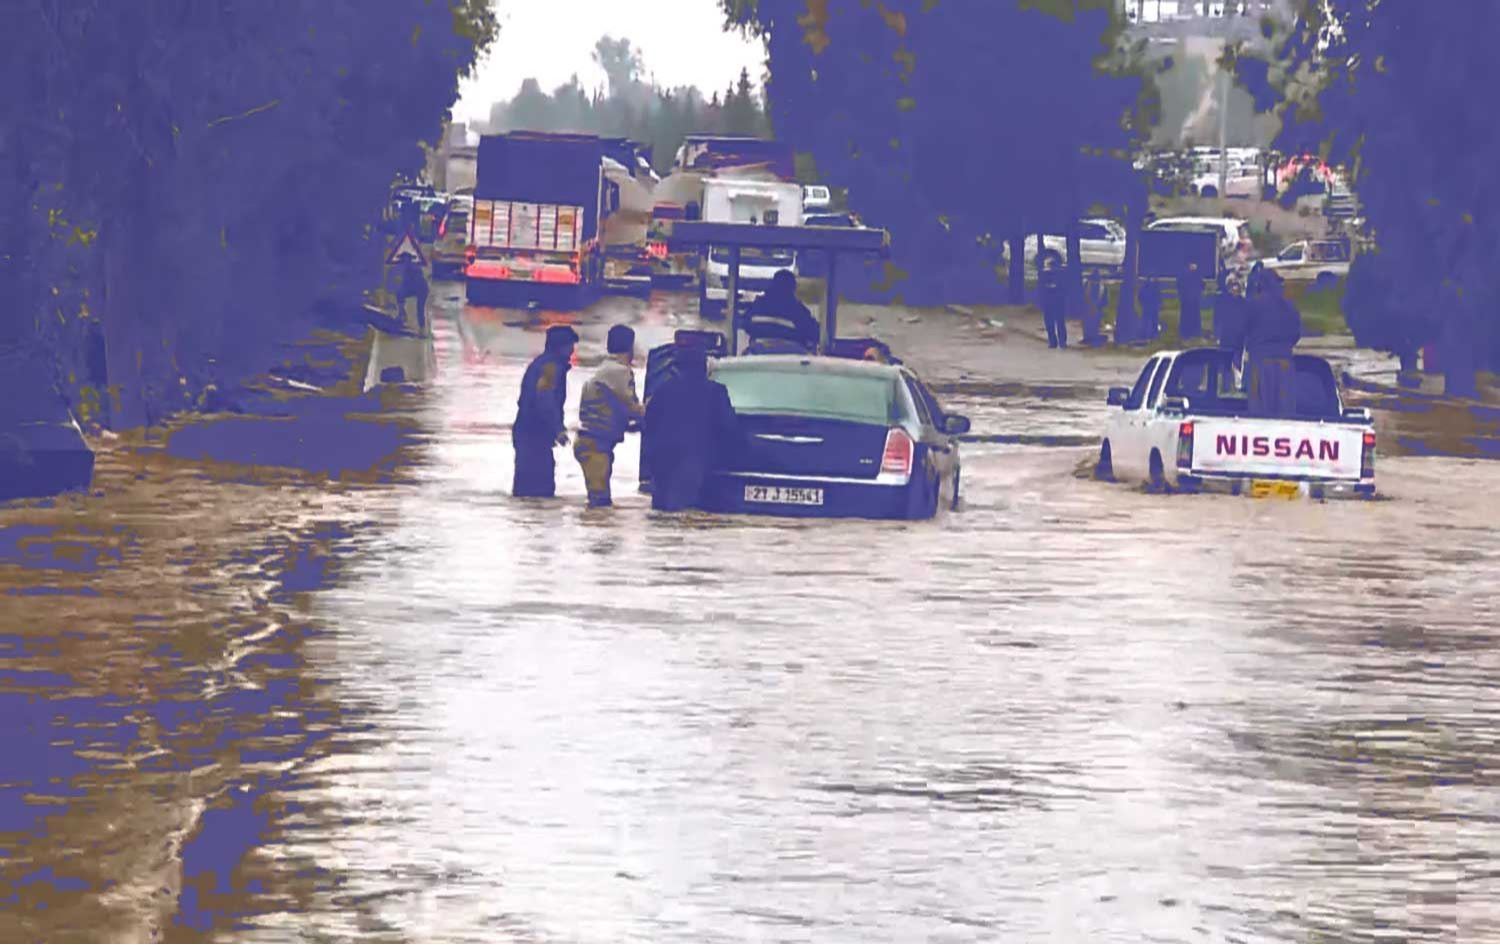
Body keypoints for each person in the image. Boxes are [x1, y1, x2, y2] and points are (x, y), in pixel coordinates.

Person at [643, 347, 740, 512]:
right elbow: (729, 428)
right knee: (692, 518)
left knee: (664, 518)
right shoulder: (716, 393)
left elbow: (648, 425)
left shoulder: (663, 391)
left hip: (664, 468)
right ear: (704, 368)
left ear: (677, 368)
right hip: (699, 467)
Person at [574, 324, 645, 508]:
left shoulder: (606, 368)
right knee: (600, 506)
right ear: (630, 347)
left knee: (599, 504)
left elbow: (616, 409)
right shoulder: (619, 371)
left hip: (592, 442)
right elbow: (632, 408)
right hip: (595, 445)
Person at [512, 325, 579, 498]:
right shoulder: (550, 368)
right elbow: (545, 399)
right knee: (538, 488)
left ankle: (528, 520)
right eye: (571, 346)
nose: (573, 351)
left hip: (529, 432)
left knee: (528, 488)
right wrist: (558, 430)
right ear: (562, 347)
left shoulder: (543, 364)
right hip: (533, 434)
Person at [1245, 270, 1303, 417]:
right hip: (1284, 361)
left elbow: (1242, 329)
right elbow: (1296, 333)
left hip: (1260, 360)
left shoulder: (1253, 305)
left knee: (1259, 409)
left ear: (1261, 285)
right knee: (1284, 409)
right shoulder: (1289, 306)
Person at [741, 269, 819, 353]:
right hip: (789, 359)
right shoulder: (796, 310)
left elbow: (746, 325)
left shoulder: (757, 305)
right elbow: (814, 332)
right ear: (792, 288)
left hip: (758, 356)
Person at [394, 250, 429, 334]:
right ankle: (401, 314)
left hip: (421, 289)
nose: (402, 262)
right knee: (399, 293)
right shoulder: (410, 267)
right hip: (417, 288)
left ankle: (422, 327)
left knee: (420, 308)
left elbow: (411, 282)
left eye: (403, 260)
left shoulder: (412, 269)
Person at [1039, 256, 1068, 349]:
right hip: (1058, 302)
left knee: (1051, 323)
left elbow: (1041, 290)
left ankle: (1053, 342)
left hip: (1049, 303)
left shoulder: (1045, 274)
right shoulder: (1061, 274)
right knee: (1059, 322)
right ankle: (1061, 342)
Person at [1177, 262, 1204, 340]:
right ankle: (1186, 333)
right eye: (1193, 265)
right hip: (1186, 300)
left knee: (1195, 316)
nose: (1194, 266)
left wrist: (1199, 292)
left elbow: (1202, 285)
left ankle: (1195, 332)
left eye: (1195, 265)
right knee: (1186, 316)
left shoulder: (1197, 274)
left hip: (1195, 300)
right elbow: (1180, 285)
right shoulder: (1184, 274)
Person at [1083, 269, 1109, 346]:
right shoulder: (1087, 284)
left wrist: (1101, 306)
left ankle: (1093, 337)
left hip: (1097, 306)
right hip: (1088, 306)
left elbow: (1104, 298)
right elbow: (1084, 295)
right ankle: (1088, 337)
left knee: (1094, 322)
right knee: (1088, 322)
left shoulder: (1102, 286)